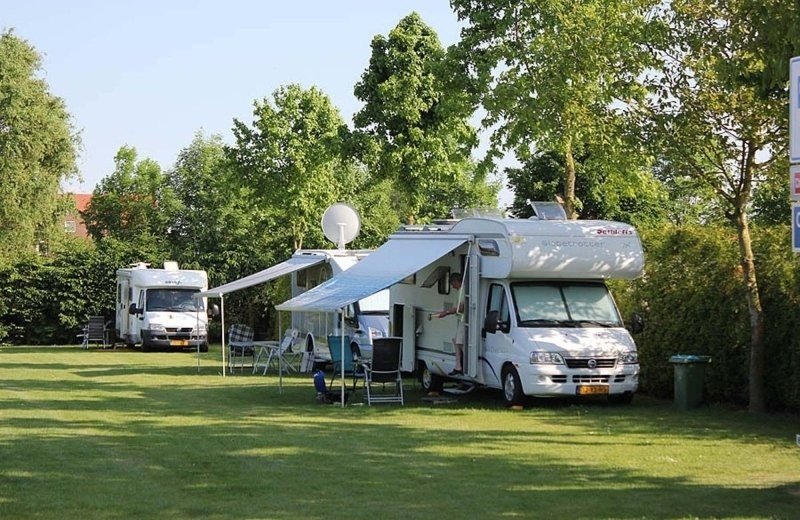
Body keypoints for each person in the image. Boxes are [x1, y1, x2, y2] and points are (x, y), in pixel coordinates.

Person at [436, 272, 465, 376]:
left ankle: (467, 362)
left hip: (464, 320)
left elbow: (461, 308)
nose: (452, 286)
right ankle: (458, 366)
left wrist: (446, 312)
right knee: (456, 340)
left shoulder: (462, 290)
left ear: (456, 281)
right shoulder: (461, 290)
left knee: (460, 342)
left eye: (452, 283)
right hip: (462, 320)